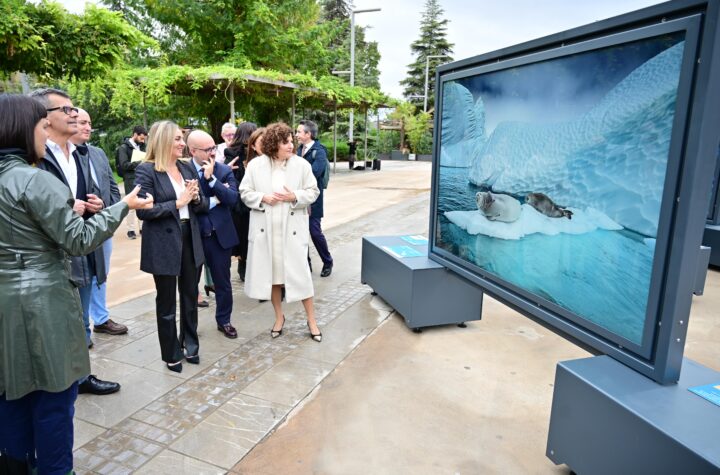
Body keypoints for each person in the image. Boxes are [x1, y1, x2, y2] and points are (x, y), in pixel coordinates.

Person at [0, 94, 152, 474]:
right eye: (40, 126)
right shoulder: (32, 179)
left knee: (12, 391)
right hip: (44, 301)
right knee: (54, 395)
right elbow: (78, 239)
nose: (44, 135)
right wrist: (123, 208)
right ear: (25, 128)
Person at [30, 88, 122, 396]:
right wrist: (66, 209)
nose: (74, 114)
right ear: (45, 118)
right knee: (55, 324)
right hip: (52, 253)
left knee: (83, 319)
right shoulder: (36, 158)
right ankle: (55, 381)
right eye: (66, 110)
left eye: (74, 110)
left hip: (84, 244)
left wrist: (94, 205)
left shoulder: (81, 154)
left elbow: (98, 190)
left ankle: (81, 377)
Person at [135, 120, 208, 373]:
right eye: (177, 139)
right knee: (166, 301)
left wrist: (196, 198)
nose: (182, 143)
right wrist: (177, 203)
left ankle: (191, 344)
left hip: (190, 236)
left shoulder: (187, 167)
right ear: (163, 140)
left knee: (190, 296)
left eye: (182, 138)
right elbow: (144, 212)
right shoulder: (146, 171)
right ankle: (171, 352)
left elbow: (202, 205)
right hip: (164, 242)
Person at [239, 122, 322, 342]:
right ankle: (279, 318)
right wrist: (262, 198)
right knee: (274, 279)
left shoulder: (301, 165)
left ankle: (312, 320)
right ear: (274, 144)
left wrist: (294, 196)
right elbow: (244, 192)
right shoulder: (256, 166)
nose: (290, 146)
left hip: (291, 230)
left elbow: (313, 191)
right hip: (267, 231)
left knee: (301, 277)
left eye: (291, 141)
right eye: (285, 142)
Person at [71, 109, 129, 337]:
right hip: (77, 229)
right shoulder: (60, 156)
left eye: (89, 123)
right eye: (82, 122)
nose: (87, 127)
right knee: (82, 278)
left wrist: (105, 205)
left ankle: (101, 318)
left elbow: (114, 189)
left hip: (102, 225)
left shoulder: (97, 153)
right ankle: (82, 328)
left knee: (101, 273)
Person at [187, 130, 239, 339]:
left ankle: (224, 320)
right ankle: (190, 326)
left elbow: (233, 199)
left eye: (213, 148)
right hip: (194, 235)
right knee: (190, 285)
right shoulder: (182, 170)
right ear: (193, 151)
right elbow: (191, 202)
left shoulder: (223, 170)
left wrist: (212, 182)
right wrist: (217, 199)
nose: (212, 152)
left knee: (223, 283)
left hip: (220, 236)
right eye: (207, 149)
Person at [296, 119, 334, 277]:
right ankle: (306, 264)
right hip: (298, 197)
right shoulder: (299, 150)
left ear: (308, 134)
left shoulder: (319, 150)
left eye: (299, 132)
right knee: (299, 232)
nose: (296, 134)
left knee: (314, 231)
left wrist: (297, 173)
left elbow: (315, 172)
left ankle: (327, 261)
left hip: (313, 199)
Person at [224, 122, 259, 280]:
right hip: (240, 202)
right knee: (244, 234)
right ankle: (243, 265)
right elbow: (230, 177)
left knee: (251, 235)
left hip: (255, 199)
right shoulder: (232, 152)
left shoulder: (259, 153)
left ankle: (247, 265)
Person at [116, 125, 147, 240]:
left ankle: (142, 227)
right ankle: (130, 229)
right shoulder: (123, 148)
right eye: (141, 138)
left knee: (142, 202)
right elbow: (124, 165)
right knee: (131, 205)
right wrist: (139, 163)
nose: (143, 141)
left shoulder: (142, 146)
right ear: (135, 134)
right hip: (130, 179)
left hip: (142, 177)